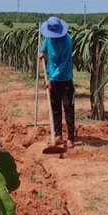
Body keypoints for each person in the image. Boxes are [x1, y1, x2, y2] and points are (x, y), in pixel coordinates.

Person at [40, 16, 75, 149]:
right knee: (55, 109)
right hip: (52, 78)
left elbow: (63, 64)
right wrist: (42, 52)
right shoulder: (49, 36)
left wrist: (52, 79)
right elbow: (45, 43)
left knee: (68, 108)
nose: (52, 37)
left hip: (65, 79)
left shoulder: (67, 42)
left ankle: (71, 137)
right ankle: (58, 135)